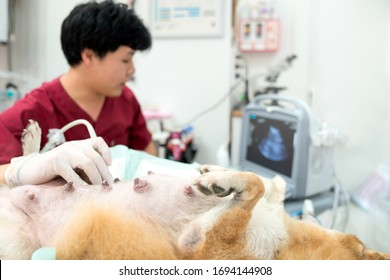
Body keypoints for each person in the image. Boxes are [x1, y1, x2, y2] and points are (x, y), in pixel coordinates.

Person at [0, 0, 156, 186]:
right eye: (125, 60)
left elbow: (149, 159)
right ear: (89, 56)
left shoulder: (126, 101)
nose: (132, 70)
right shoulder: (29, 113)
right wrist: (36, 167)